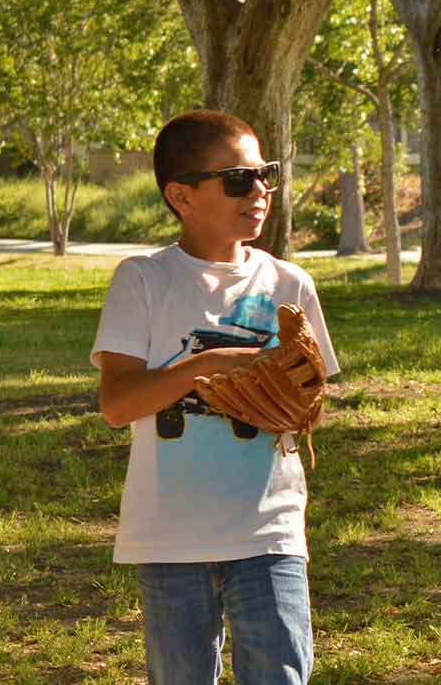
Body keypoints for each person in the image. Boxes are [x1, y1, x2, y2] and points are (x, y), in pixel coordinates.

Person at [91, 109, 339, 685]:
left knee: (280, 674)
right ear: (181, 195)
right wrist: (209, 365)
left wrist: (298, 402)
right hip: (170, 533)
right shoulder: (144, 279)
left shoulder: (289, 284)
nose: (258, 191)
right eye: (236, 179)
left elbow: (310, 397)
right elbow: (118, 404)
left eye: (265, 173)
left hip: (269, 529)